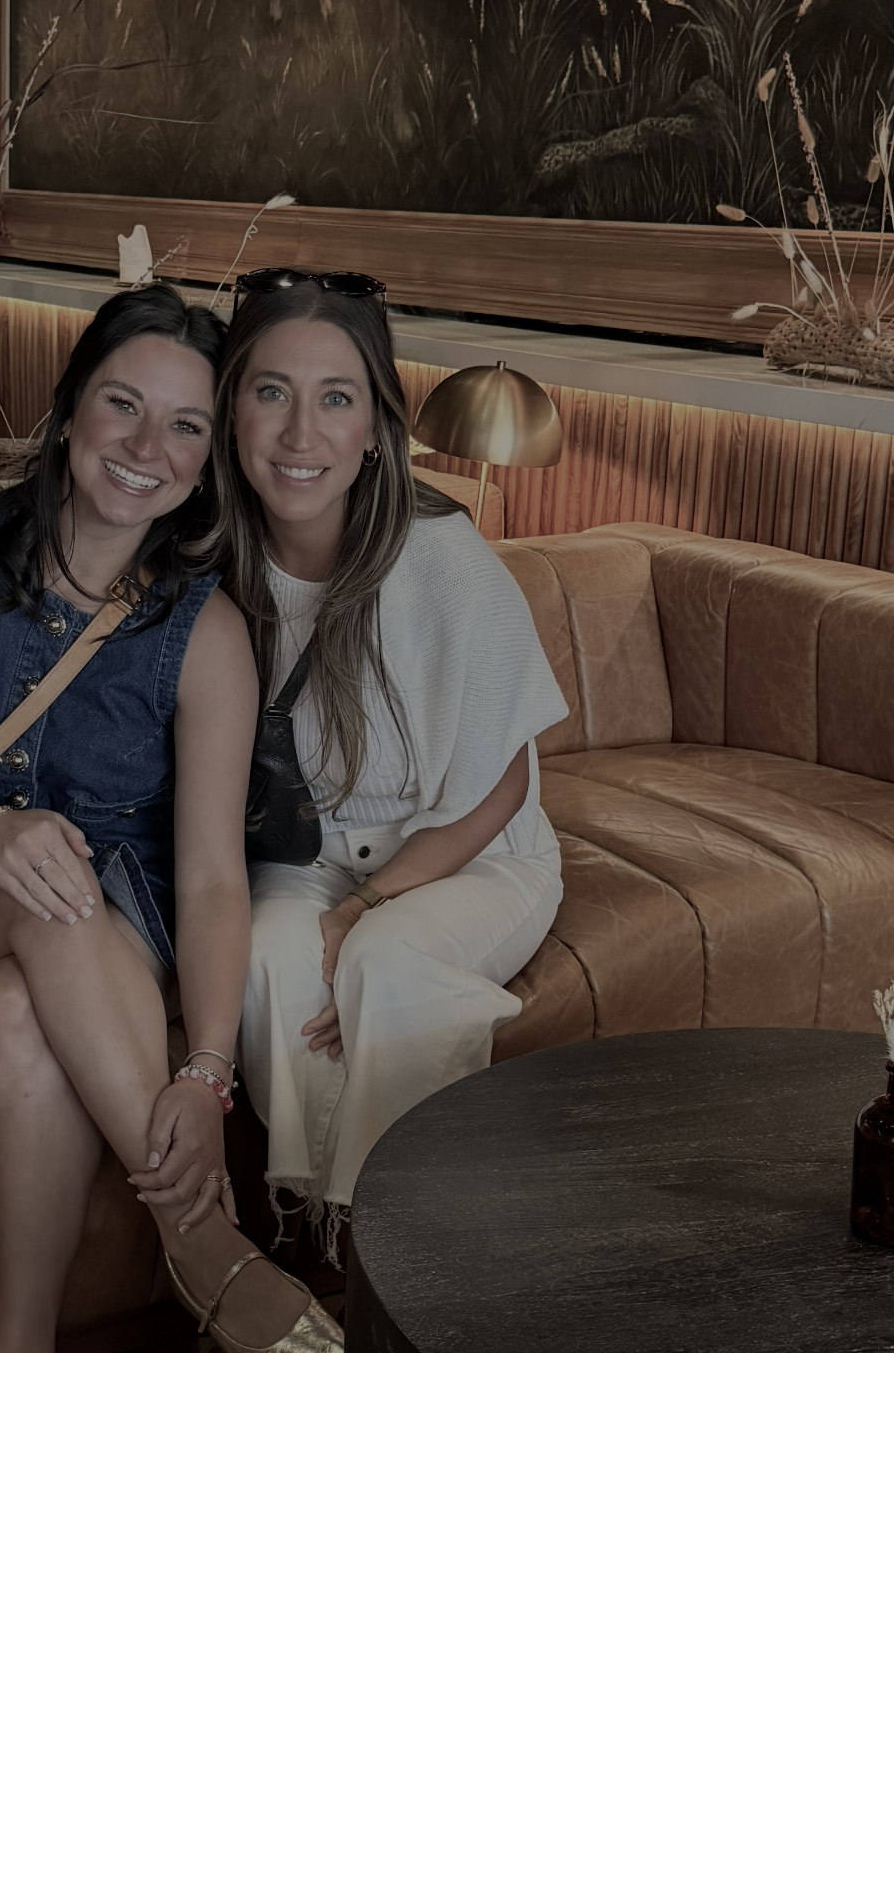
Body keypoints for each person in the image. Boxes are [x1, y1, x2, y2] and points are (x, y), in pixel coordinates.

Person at [0, 282, 343, 1363]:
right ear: (68, 410)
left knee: (18, 1011)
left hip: (129, 917)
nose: (149, 445)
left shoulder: (209, 634)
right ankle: (202, 1239)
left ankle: (21, 1351)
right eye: (123, 404)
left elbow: (207, 882)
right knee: (38, 890)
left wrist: (205, 1070)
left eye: (187, 425)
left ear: (207, 459)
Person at [208, 271, 569, 1266]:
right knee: (274, 963)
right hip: (302, 848)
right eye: (270, 391)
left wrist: (371, 907)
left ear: (377, 427)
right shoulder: (208, 561)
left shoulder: (444, 558)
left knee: (386, 964)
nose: (300, 433)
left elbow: (503, 784)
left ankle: (400, 1253)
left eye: (337, 398)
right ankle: (309, 1239)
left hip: (470, 853)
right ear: (230, 406)